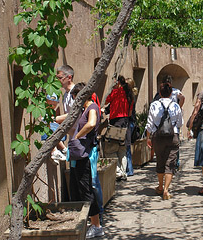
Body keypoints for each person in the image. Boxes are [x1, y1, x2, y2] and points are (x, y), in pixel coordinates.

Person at [68, 83, 104, 238]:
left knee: (86, 189)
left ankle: (96, 225)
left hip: (85, 155)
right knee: (78, 189)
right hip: (79, 155)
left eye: (75, 98)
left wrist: (77, 136)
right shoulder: (84, 109)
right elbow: (70, 117)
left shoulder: (92, 108)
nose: (75, 101)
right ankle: (88, 222)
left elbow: (91, 123)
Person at [146, 82, 183, 200]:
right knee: (170, 162)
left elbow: (149, 124)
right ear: (171, 93)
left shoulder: (154, 105)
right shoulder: (176, 106)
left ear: (160, 93)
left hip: (158, 136)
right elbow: (180, 123)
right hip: (173, 136)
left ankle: (160, 186)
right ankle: (166, 189)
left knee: (160, 161)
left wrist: (148, 137)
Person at [104, 75, 134, 181]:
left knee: (112, 148)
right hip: (125, 122)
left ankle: (117, 172)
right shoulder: (129, 94)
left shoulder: (116, 92)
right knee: (123, 149)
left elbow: (107, 100)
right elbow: (130, 112)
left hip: (115, 122)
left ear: (118, 83)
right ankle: (124, 171)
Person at [41, 94, 67, 165]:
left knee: (57, 130)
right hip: (44, 132)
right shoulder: (43, 111)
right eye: (50, 104)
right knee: (52, 131)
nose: (52, 106)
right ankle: (55, 151)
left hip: (51, 132)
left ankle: (63, 150)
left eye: (54, 104)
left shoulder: (52, 112)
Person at [125, 77, 138, 176]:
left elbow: (129, 112)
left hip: (129, 122)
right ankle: (128, 168)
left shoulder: (129, 96)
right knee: (127, 146)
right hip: (131, 122)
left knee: (127, 146)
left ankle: (129, 169)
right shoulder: (131, 95)